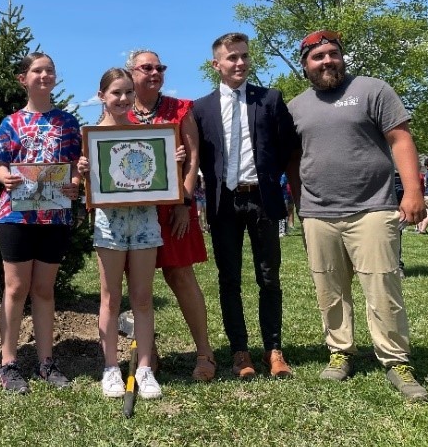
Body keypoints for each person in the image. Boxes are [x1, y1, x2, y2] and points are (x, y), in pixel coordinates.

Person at [287, 30, 428, 402]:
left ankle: (396, 360)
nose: (327, 61)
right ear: (305, 66)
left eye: (333, 54)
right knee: (329, 289)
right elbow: (293, 160)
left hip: (373, 206)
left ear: (342, 57)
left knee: (383, 287)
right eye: (317, 57)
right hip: (319, 213)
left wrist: (413, 191)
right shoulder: (297, 106)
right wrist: (302, 204)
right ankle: (339, 352)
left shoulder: (373, 90)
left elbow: (401, 139)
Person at [193, 32, 295, 379]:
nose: (239, 63)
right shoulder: (200, 108)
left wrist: (268, 175)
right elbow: (200, 155)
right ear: (216, 64)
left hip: (262, 199)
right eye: (232, 57)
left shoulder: (270, 99)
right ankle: (240, 352)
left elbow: (285, 147)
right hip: (223, 203)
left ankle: (274, 350)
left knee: (269, 277)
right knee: (229, 279)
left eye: (244, 56)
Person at [0, 52, 82, 394]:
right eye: (37, 70)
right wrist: (6, 179)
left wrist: (75, 186)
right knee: (15, 289)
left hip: (55, 216)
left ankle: (47, 362)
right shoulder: (11, 123)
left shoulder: (68, 123)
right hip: (15, 215)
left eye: (50, 70)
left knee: (44, 291)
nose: (45, 75)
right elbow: (0, 164)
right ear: (23, 79)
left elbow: (74, 167)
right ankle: (8, 363)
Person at [125, 49, 216, 382]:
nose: (155, 72)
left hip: (175, 208)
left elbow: (193, 159)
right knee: (139, 284)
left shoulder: (181, 109)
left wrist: (184, 201)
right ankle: (149, 353)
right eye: (146, 67)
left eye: (159, 67)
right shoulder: (122, 110)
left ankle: (205, 353)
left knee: (181, 276)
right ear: (131, 72)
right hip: (133, 211)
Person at [78, 68, 163, 400]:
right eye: (116, 93)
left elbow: (161, 177)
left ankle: (144, 368)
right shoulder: (92, 138)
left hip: (144, 223)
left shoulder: (151, 136)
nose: (123, 98)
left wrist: (173, 160)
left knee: (142, 298)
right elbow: (86, 191)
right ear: (102, 96)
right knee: (110, 298)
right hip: (109, 224)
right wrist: (83, 172)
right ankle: (111, 367)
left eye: (128, 92)